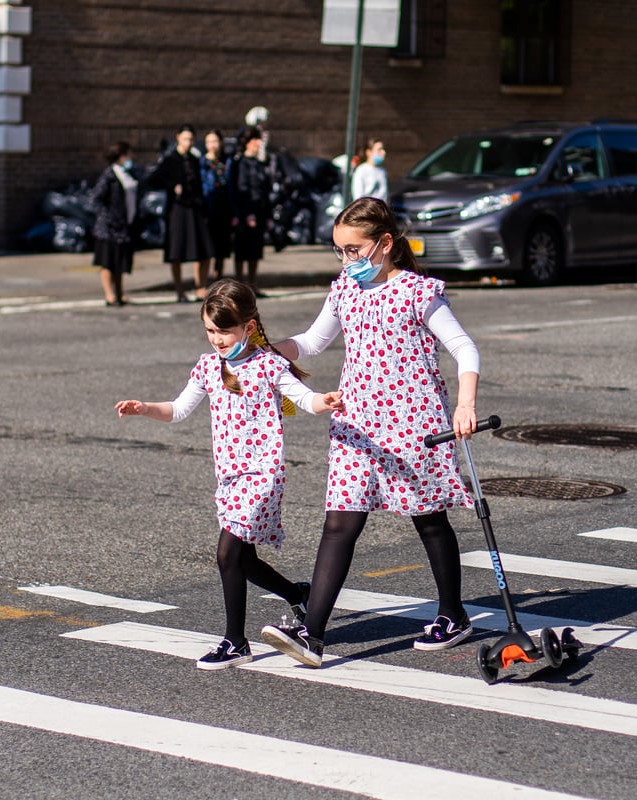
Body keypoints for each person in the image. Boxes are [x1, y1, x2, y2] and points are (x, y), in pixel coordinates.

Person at [260, 197, 480, 668]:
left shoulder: (419, 292)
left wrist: (465, 405)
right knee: (340, 522)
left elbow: (465, 348)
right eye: (339, 251)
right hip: (357, 423)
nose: (347, 261)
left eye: (355, 250)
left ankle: (453, 613)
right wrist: (260, 349)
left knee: (429, 517)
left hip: (413, 422)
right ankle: (313, 634)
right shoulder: (344, 290)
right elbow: (313, 342)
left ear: (384, 244)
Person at [115, 279, 342, 670]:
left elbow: (303, 398)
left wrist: (326, 401)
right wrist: (144, 408)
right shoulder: (208, 367)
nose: (217, 339)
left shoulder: (269, 364)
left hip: (262, 474)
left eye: (224, 330)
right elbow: (178, 409)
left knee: (227, 554)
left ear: (248, 327)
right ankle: (297, 593)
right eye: (210, 330)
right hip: (230, 477)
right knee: (242, 559)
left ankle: (235, 641)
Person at [145, 124, 213, 302]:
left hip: (195, 207)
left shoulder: (194, 159)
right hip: (178, 209)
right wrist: (171, 186)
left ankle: (201, 287)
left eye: (191, 139)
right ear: (178, 138)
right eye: (185, 139)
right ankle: (180, 290)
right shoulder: (170, 159)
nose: (188, 142)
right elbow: (153, 180)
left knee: (203, 249)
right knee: (177, 251)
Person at [87, 141, 137, 307]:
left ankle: (120, 293)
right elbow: (95, 199)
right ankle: (110, 295)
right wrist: (108, 217)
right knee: (108, 262)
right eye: (128, 154)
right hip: (109, 229)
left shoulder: (127, 173)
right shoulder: (109, 175)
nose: (130, 157)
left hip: (124, 226)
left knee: (120, 262)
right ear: (122, 155)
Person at [230, 127, 270, 290]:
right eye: (255, 140)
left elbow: (264, 188)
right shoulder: (240, 163)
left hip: (258, 210)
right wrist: (246, 214)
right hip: (244, 211)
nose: (258, 143)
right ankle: (240, 284)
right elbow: (240, 189)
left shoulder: (259, 163)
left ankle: (253, 284)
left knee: (255, 250)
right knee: (241, 250)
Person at [200, 129, 233, 281]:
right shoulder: (201, 162)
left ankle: (216, 281)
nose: (212, 145)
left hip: (223, 209)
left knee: (221, 250)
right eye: (209, 142)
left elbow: (231, 186)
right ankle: (201, 283)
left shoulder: (227, 161)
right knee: (205, 250)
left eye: (215, 141)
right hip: (207, 209)